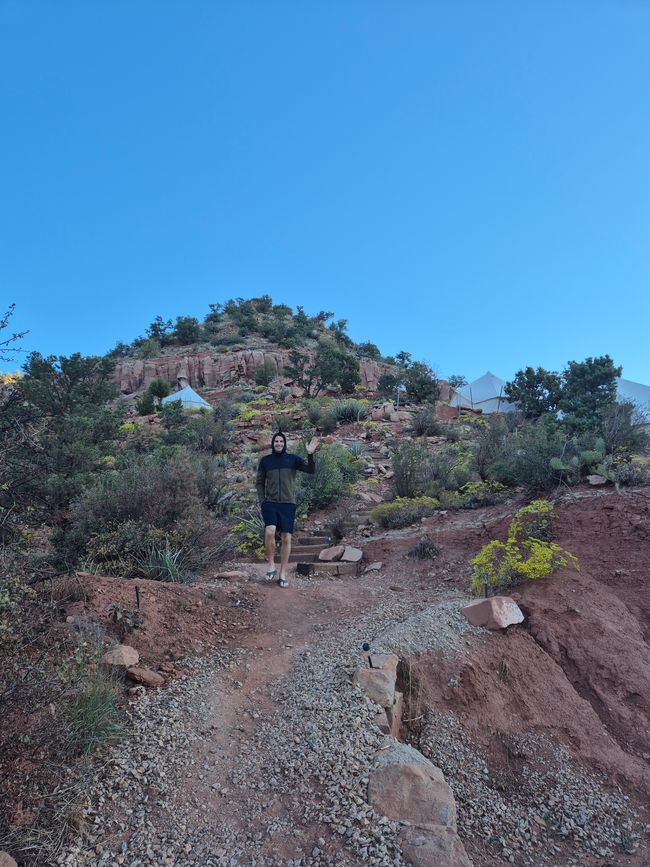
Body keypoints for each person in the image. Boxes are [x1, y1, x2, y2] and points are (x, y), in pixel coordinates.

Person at [256, 431, 318, 588]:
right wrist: (263, 501)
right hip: (270, 503)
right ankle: (271, 565)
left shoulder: (292, 459)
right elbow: (259, 483)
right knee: (269, 531)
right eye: (276, 441)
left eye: (281, 441)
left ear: (284, 443)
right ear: (272, 443)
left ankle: (282, 573)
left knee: (286, 538)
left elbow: (311, 470)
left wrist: (310, 454)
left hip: (288, 504)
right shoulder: (265, 461)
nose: (278, 444)